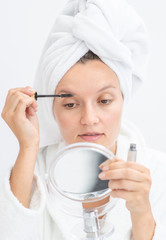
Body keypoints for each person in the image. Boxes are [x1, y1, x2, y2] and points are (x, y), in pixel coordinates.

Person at [0, 0, 166, 239]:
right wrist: (28, 147)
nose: (89, 119)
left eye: (105, 101)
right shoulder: (28, 175)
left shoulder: (160, 172)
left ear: (123, 99)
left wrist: (142, 214)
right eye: (70, 104)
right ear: (51, 108)